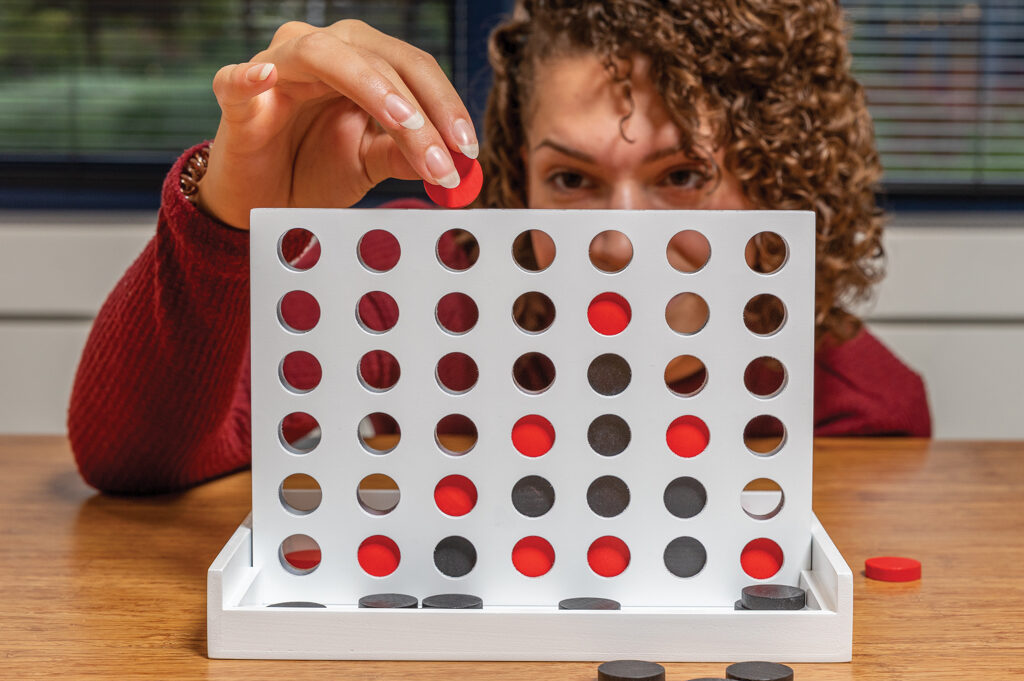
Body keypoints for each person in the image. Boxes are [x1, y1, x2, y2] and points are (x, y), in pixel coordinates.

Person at [68, 0, 931, 494]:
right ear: (518, 176)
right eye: (571, 180)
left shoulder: (854, 402)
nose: (618, 243)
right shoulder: (409, 297)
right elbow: (137, 459)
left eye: (681, 174)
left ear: (780, 175)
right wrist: (234, 215)